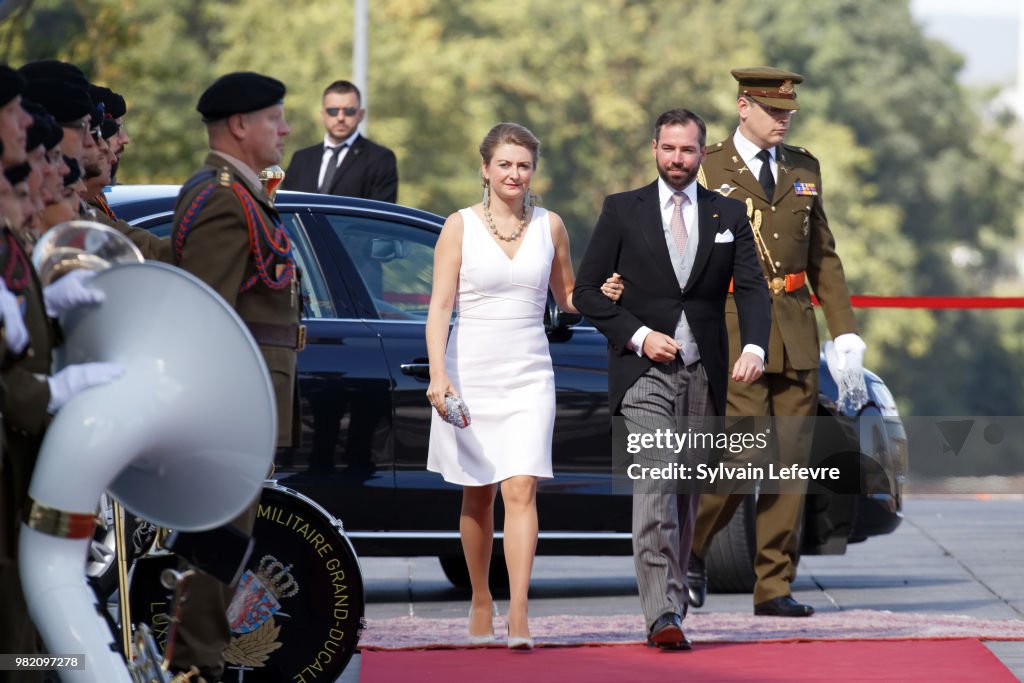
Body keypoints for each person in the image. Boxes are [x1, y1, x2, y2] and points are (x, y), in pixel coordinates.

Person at [573, 108, 770, 649]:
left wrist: (753, 346)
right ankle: (659, 613)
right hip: (643, 373)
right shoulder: (621, 210)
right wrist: (638, 335)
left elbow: (752, 288)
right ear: (653, 148)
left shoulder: (727, 215)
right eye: (668, 149)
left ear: (701, 154)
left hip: (704, 371)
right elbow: (586, 292)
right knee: (656, 480)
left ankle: (675, 601)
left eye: (687, 150)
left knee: (685, 490)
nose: (677, 159)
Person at [425, 122, 621, 650]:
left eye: (524, 165)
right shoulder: (458, 226)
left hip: (530, 371)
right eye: (505, 164)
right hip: (471, 371)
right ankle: (481, 598)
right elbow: (440, 305)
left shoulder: (551, 225)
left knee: (522, 487)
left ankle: (517, 613)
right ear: (485, 169)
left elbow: (568, 296)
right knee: (478, 493)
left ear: (533, 171)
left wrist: (604, 291)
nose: (515, 174)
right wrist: (438, 375)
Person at [688, 67, 864, 618]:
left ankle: (774, 587)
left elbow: (822, 257)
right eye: (772, 111)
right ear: (744, 107)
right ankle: (689, 551)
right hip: (736, 325)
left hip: (794, 327)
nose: (783, 120)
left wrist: (846, 331)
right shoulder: (708, 166)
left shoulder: (803, 167)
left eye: (788, 112)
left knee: (790, 465)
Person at [166, 71, 301, 682]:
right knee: (218, 545)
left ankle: (202, 659)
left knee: (225, 545)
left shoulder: (243, 194)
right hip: (233, 404)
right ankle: (198, 666)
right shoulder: (223, 197)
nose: (286, 129)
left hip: (249, 398)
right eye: (275, 118)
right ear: (240, 126)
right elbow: (206, 315)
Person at [281, 79, 398, 202]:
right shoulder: (301, 159)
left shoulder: (380, 159)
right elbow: (285, 208)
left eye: (349, 111)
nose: (340, 118)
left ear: (361, 115)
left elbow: (380, 214)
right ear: (323, 115)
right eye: (333, 111)